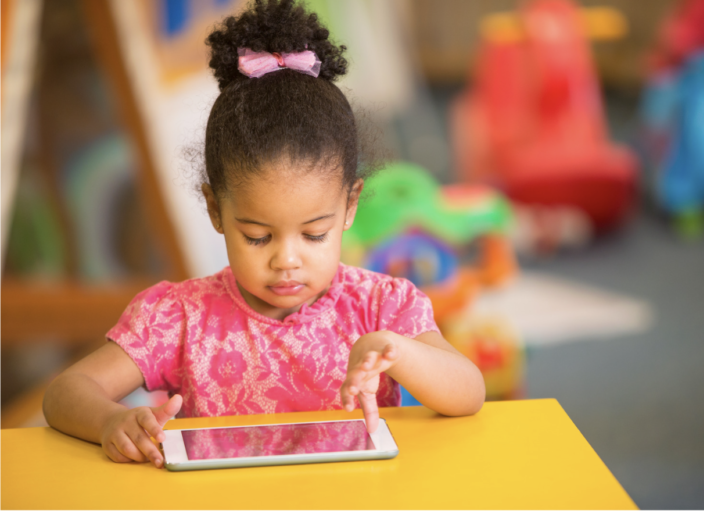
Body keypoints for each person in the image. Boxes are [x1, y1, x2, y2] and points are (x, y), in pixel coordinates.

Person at [43, 0, 485, 469]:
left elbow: (469, 392)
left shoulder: (381, 307)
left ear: (350, 205)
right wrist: (111, 421)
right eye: (257, 236)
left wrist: (400, 352)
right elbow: (65, 392)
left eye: (314, 234)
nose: (286, 260)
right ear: (216, 208)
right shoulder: (179, 318)